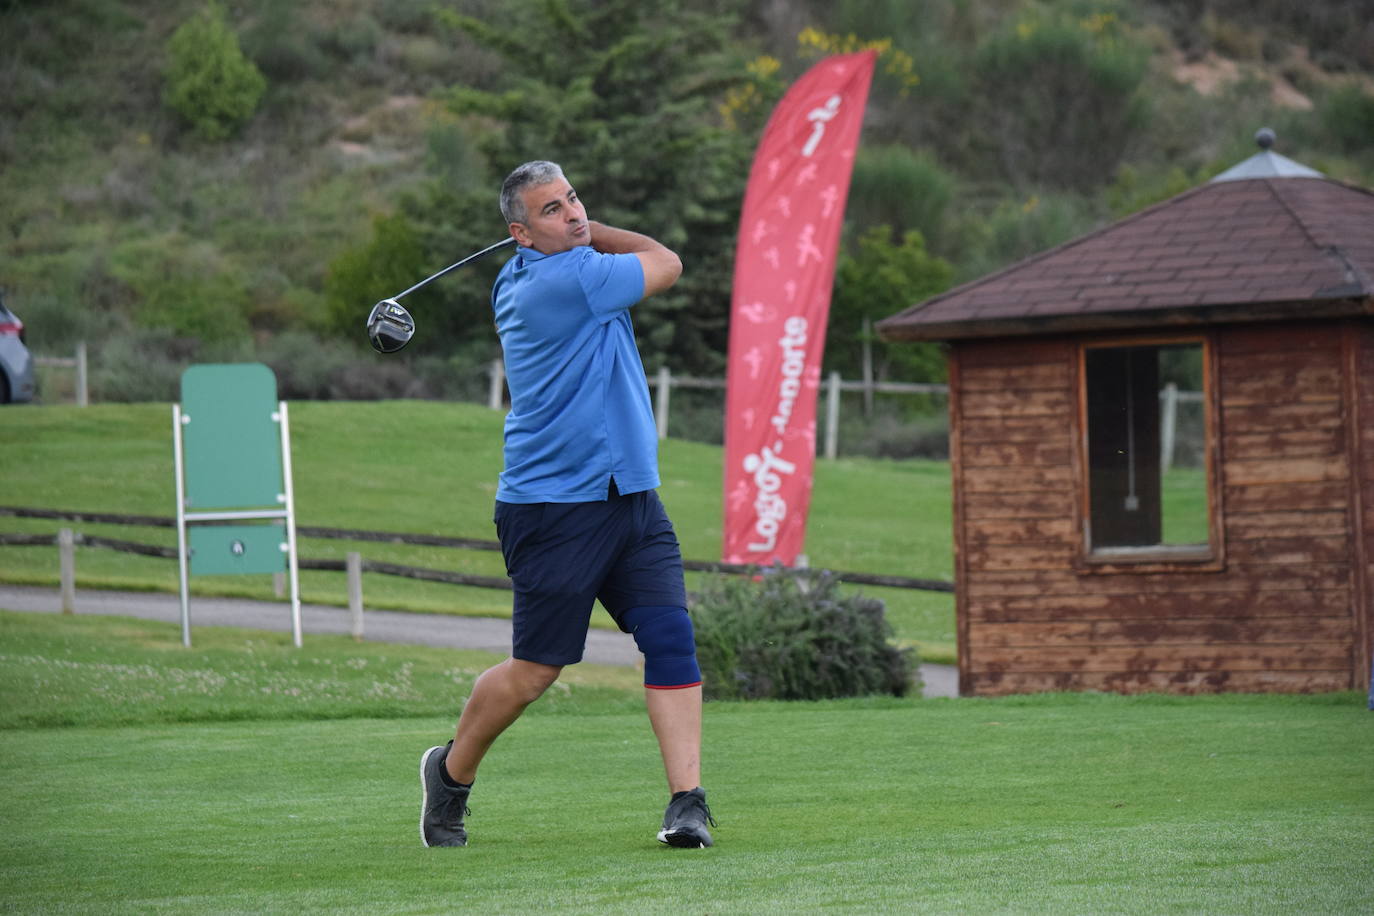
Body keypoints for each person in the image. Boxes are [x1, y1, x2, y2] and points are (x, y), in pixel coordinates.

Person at [419, 160, 715, 849]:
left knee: (669, 637)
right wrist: (599, 233)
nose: (576, 214)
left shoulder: (527, 269)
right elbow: (667, 262)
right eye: (553, 210)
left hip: (628, 495)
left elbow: (621, 257)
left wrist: (574, 232)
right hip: (554, 507)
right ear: (519, 233)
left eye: (575, 198)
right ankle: (451, 775)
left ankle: (688, 803)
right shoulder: (569, 279)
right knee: (535, 671)